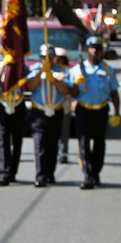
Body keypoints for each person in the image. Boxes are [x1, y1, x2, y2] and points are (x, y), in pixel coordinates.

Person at [69, 35, 121, 189]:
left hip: (101, 110)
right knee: (83, 143)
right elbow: (71, 93)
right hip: (83, 109)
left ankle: (96, 172)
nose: (94, 51)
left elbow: (114, 93)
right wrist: (75, 84)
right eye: (92, 48)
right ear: (87, 50)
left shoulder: (107, 70)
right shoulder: (78, 69)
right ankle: (87, 175)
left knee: (99, 143)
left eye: (97, 48)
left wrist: (117, 112)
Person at [24, 45, 72, 187]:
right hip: (39, 111)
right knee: (40, 144)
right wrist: (41, 74)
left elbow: (66, 90)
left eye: (50, 57)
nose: (48, 59)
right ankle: (41, 175)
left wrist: (54, 80)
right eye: (45, 57)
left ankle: (50, 173)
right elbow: (29, 86)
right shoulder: (35, 69)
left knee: (53, 143)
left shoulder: (62, 71)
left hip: (56, 110)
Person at [0, 50, 29, 185]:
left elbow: (26, 87)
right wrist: (3, 68)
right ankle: (3, 172)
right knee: (2, 140)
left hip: (18, 104)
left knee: (17, 140)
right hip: (3, 104)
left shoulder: (23, 66)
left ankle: (12, 172)